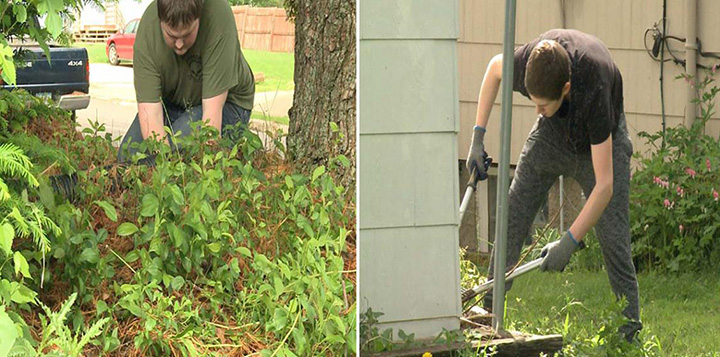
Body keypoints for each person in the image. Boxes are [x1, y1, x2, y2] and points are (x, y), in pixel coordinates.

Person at [466, 29, 642, 341]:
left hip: (600, 145)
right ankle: (486, 317)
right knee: (514, 209)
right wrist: (477, 137)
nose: (536, 110)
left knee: (614, 236)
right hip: (552, 136)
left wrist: (569, 241)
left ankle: (629, 334)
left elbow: (605, 186)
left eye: (543, 104)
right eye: (533, 102)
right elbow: (495, 68)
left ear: (566, 88)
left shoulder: (594, 88)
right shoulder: (533, 62)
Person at [118, 0, 255, 161]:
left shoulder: (218, 17)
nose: (180, 44)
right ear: (160, 21)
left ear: (199, 17)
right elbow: (151, 114)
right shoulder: (148, 30)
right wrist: (159, 164)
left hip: (228, 103)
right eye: (171, 35)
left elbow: (211, 123)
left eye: (187, 34)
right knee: (128, 158)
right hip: (174, 102)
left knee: (181, 151)